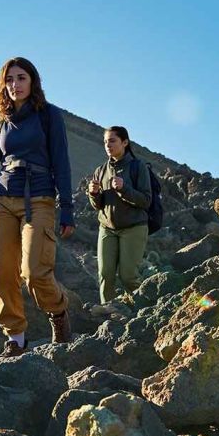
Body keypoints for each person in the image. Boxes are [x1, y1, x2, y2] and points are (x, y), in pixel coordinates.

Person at [0, 57, 75, 357]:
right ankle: (16, 338)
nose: (15, 84)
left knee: (34, 271)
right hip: (2, 200)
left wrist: (67, 207)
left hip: (39, 199)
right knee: (1, 270)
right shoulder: (1, 120)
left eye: (21, 78)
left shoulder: (49, 115)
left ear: (33, 81)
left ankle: (58, 312)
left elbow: (61, 162)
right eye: (9, 79)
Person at [87, 126, 152, 304]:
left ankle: (143, 309)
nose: (108, 145)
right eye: (105, 142)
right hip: (107, 229)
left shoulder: (138, 167)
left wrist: (124, 189)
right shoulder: (100, 170)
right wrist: (93, 194)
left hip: (133, 227)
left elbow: (146, 200)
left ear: (125, 142)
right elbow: (98, 206)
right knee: (105, 274)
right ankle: (108, 312)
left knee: (128, 276)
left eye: (112, 141)